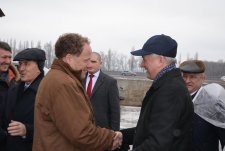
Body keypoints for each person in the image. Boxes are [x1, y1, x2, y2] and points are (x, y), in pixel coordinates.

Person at [33, 33, 122, 151]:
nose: (88, 65)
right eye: (86, 60)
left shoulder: (58, 77)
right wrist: (110, 138)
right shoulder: (63, 84)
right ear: (69, 58)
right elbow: (82, 133)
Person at [120, 34, 193, 151]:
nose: (141, 64)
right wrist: (122, 136)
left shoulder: (170, 91)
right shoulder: (166, 85)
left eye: (144, 59)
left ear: (160, 60)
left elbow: (159, 143)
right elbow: (149, 129)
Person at [2, 48, 46, 151]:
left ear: (39, 66)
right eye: (20, 64)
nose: (21, 68)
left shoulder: (47, 92)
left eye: (26, 64)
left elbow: (53, 127)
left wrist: (27, 130)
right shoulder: (13, 89)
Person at [180, 60, 225, 151]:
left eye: (192, 77)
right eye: (184, 76)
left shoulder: (213, 103)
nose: (187, 80)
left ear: (203, 78)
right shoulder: (176, 99)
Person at [85, 52, 120, 131]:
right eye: (87, 61)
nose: (89, 64)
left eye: (93, 62)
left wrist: (114, 132)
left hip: (101, 130)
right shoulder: (79, 79)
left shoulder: (110, 82)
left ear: (100, 63)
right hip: (81, 128)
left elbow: (115, 110)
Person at [0, 41, 20, 150]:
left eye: (9, 57)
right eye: (4, 57)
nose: (7, 61)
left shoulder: (17, 81)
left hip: (12, 140)